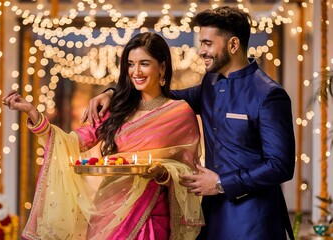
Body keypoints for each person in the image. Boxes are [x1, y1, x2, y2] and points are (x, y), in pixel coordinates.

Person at [82, 6, 295, 240]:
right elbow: (161, 97)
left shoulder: (268, 94)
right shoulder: (211, 82)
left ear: (233, 45)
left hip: (254, 219)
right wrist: (114, 93)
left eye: (207, 43)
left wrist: (222, 183)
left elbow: (280, 165)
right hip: (212, 215)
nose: (201, 51)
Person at [3, 32, 204, 240]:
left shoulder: (179, 113)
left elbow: (189, 170)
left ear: (162, 67)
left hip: (152, 212)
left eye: (144, 63)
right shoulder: (116, 108)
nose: (136, 71)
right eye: (130, 64)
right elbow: (76, 142)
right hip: (109, 211)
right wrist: (34, 114)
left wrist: (163, 172)